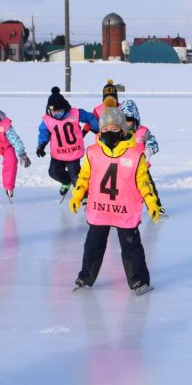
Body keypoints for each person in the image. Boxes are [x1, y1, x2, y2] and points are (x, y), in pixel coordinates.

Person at [69, 97, 161, 295]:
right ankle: (86, 277)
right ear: (100, 130)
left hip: (124, 211)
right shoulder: (93, 152)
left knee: (131, 247)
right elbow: (84, 177)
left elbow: (143, 182)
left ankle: (139, 280)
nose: (110, 133)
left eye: (115, 129)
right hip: (99, 210)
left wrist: (152, 202)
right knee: (93, 246)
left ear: (122, 130)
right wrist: (77, 195)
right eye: (106, 129)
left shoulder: (136, 155)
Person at [36, 86, 99, 200]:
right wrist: (41, 145)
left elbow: (89, 117)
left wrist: (96, 127)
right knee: (53, 172)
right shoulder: (48, 120)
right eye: (54, 112)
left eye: (60, 111)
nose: (57, 114)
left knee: (76, 177)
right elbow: (43, 132)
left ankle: (84, 195)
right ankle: (66, 181)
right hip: (57, 154)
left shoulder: (74, 113)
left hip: (73, 153)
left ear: (65, 108)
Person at [121, 99, 165, 214]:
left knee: (149, 188)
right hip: (123, 169)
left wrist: (148, 152)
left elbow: (153, 142)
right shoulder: (119, 133)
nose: (126, 123)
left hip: (141, 169)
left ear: (135, 119)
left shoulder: (143, 131)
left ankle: (156, 206)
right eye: (124, 120)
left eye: (129, 120)